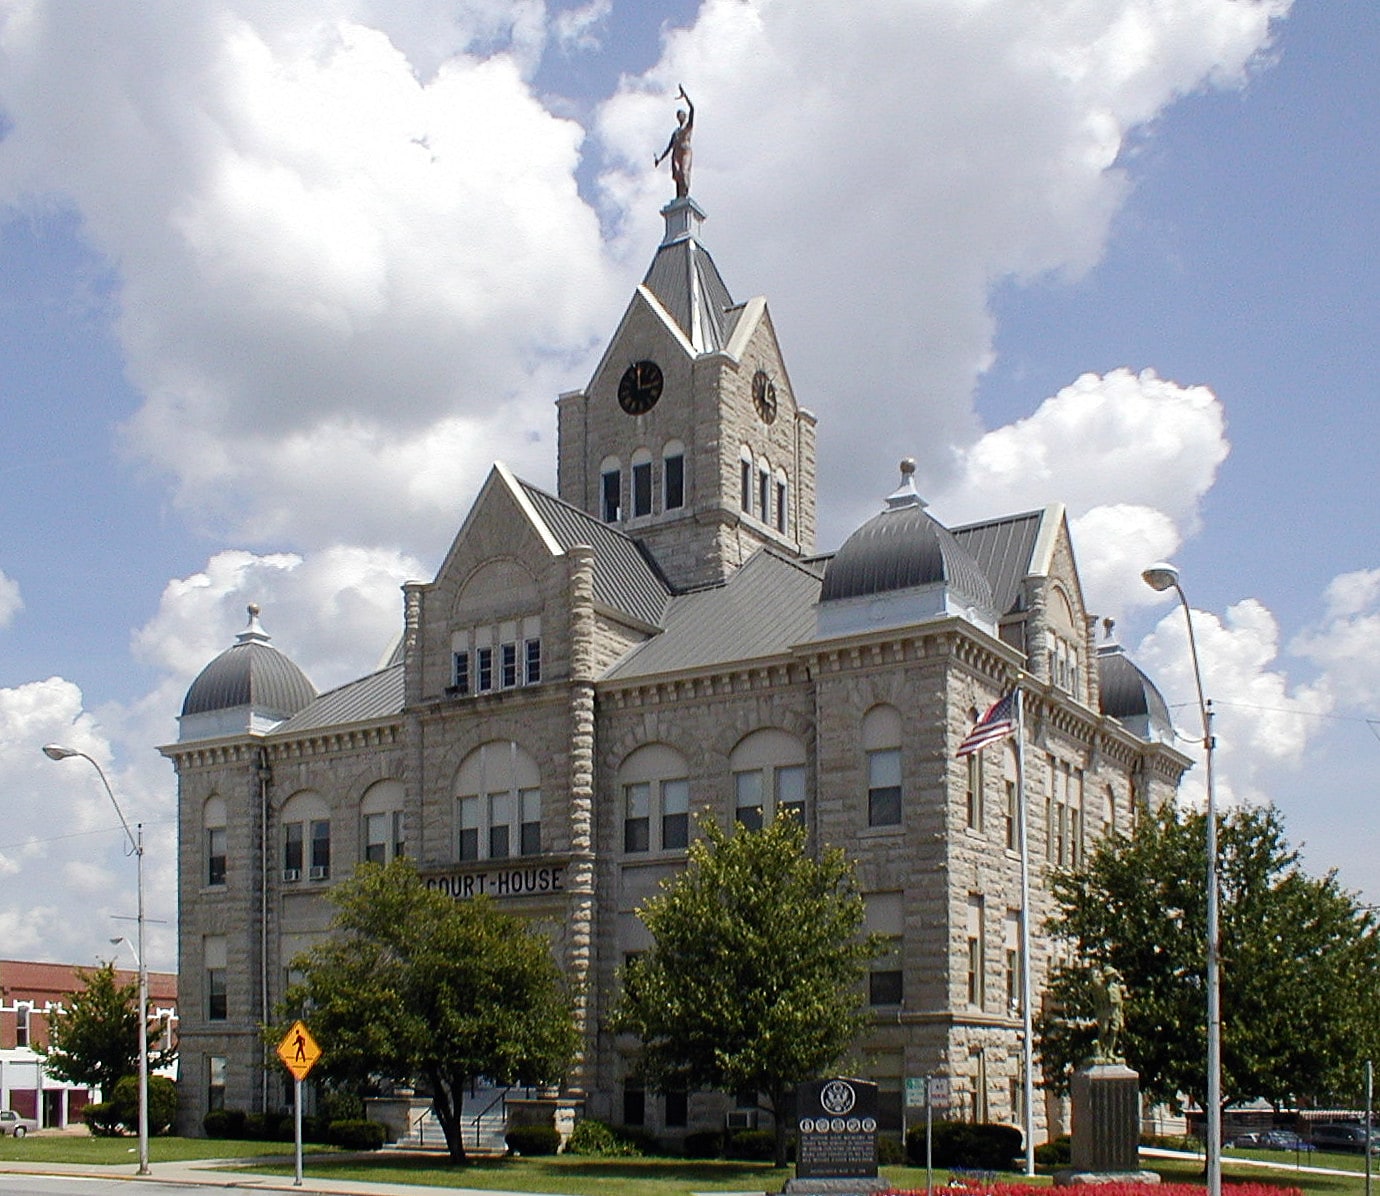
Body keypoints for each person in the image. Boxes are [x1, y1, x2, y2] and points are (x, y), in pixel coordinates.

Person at [654, 85, 695, 198]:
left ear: (684, 116)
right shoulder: (675, 133)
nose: (679, 117)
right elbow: (669, 147)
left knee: (684, 171)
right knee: (677, 174)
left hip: (686, 151)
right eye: (678, 116)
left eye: (681, 115)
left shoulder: (688, 127)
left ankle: (685, 194)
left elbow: (692, 109)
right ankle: (679, 197)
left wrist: (684, 95)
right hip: (676, 154)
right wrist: (659, 159)